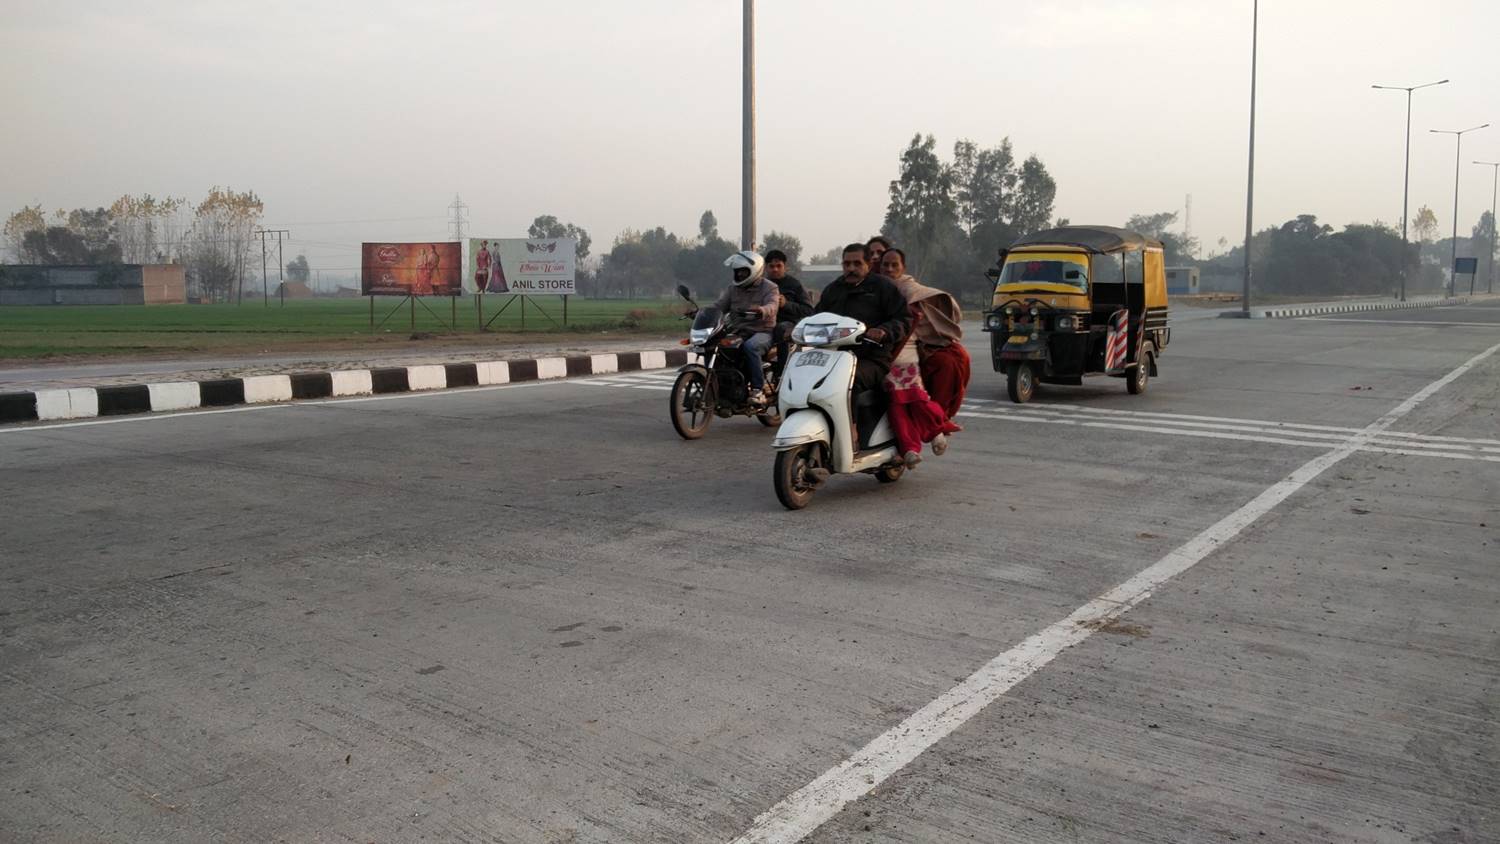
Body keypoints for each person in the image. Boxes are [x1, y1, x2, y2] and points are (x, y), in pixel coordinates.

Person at [878, 248, 965, 466]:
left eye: (893, 264)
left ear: (903, 268)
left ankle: (937, 429)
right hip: (879, 353)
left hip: (904, 352)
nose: (889, 269)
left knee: (915, 397)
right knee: (897, 404)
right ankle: (910, 449)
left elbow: (933, 309)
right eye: (884, 264)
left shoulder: (908, 290)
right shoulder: (874, 288)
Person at [813, 242, 911, 401]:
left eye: (857, 263)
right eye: (847, 264)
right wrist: (795, 328)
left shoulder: (883, 287)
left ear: (869, 264)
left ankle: (852, 426)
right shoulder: (833, 289)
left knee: (848, 381)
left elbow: (903, 319)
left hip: (871, 358)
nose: (851, 268)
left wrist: (884, 331)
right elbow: (816, 317)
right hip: (833, 355)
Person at [715, 250, 779, 405]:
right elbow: (719, 306)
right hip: (740, 330)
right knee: (718, 346)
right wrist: (701, 312)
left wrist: (762, 310)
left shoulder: (770, 287)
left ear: (755, 270)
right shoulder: (733, 289)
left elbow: (772, 305)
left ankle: (758, 390)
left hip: (763, 331)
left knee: (750, 347)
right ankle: (720, 386)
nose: (740, 275)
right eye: (738, 272)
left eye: (744, 271)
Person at [765, 249, 813, 380]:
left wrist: (786, 304)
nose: (775, 269)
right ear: (766, 268)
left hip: (788, 323)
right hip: (764, 323)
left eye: (778, 266)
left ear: (785, 267)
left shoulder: (794, 285)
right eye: (771, 266)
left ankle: (782, 374)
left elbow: (808, 310)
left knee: (780, 329)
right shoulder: (762, 285)